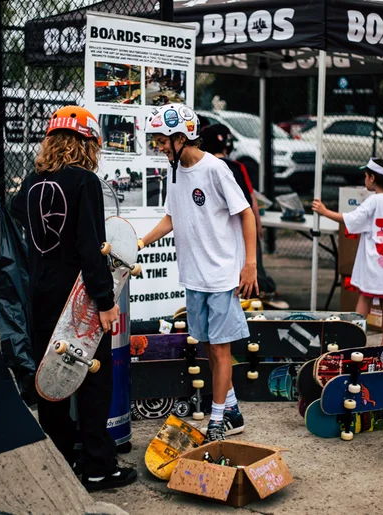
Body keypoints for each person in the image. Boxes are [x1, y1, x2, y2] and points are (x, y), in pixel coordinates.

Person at [10, 105, 136, 492]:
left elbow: (18, 223)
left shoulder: (30, 184)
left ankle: (61, 464)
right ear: (89, 143)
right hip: (78, 301)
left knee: (52, 383)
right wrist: (105, 301)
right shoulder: (84, 183)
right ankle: (98, 466)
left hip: (41, 296)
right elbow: (92, 249)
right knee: (93, 380)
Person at [139, 103, 258, 442]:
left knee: (221, 351)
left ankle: (218, 421)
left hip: (221, 276)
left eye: (162, 141)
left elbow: (246, 214)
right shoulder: (174, 172)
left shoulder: (216, 169)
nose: (159, 147)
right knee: (208, 346)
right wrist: (140, 242)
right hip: (194, 277)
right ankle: (232, 409)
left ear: (181, 138)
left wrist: (249, 265)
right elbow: (172, 217)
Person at [312, 158, 383, 346]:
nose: (364, 179)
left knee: (365, 299)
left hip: (377, 264)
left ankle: (354, 342)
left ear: (372, 178)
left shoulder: (374, 201)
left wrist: (324, 211)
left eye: (365, 176)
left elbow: (351, 219)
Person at [199, 122, 284, 305]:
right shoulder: (237, 167)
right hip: (242, 228)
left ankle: (245, 294)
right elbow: (251, 201)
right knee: (252, 261)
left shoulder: (204, 168)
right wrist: (258, 224)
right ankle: (257, 293)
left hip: (219, 232)